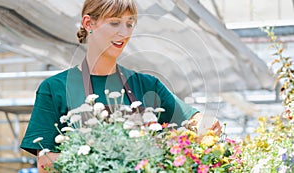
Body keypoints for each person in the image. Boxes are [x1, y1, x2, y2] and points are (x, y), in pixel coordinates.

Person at [20, 0, 221, 172]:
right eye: (115, 23)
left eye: (129, 24)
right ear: (89, 23)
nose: (124, 33)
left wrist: (205, 124)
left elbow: (192, 119)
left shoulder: (147, 85)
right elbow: (46, 165)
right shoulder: (54, 89)